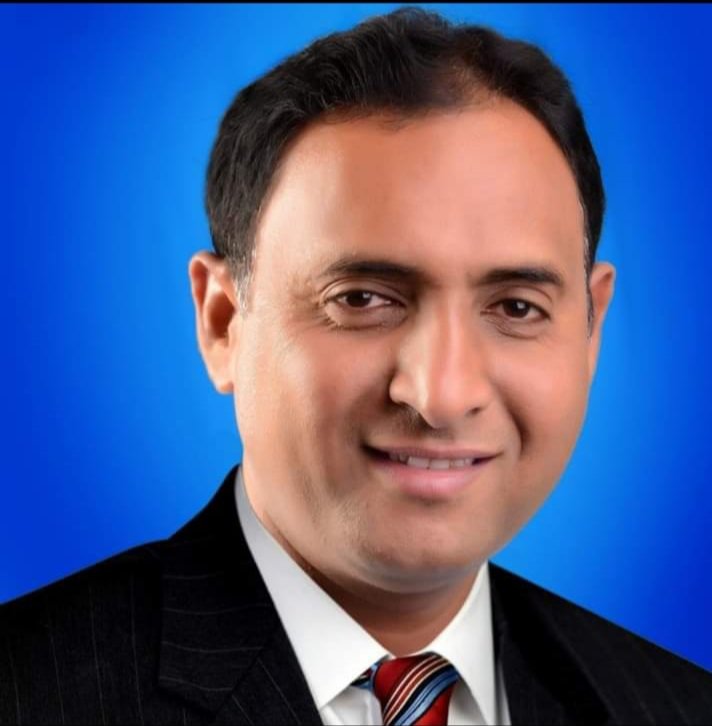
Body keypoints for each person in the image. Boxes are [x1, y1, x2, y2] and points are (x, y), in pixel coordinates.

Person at [1, 7, 710, 725]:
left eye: (517, 307)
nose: (442, 395)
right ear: (222, 322)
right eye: (363, 299)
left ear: (590, 330)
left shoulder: (675, 706)